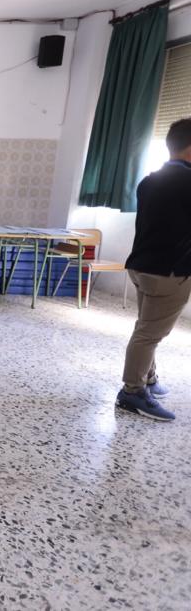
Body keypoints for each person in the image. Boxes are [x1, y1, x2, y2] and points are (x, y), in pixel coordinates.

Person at [115, 117, 191, 422]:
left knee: (146, 326)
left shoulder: (151, 178)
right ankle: (132, 392)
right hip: (169, 272)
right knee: (149, 333)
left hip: (142, 265)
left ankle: (147, 378)